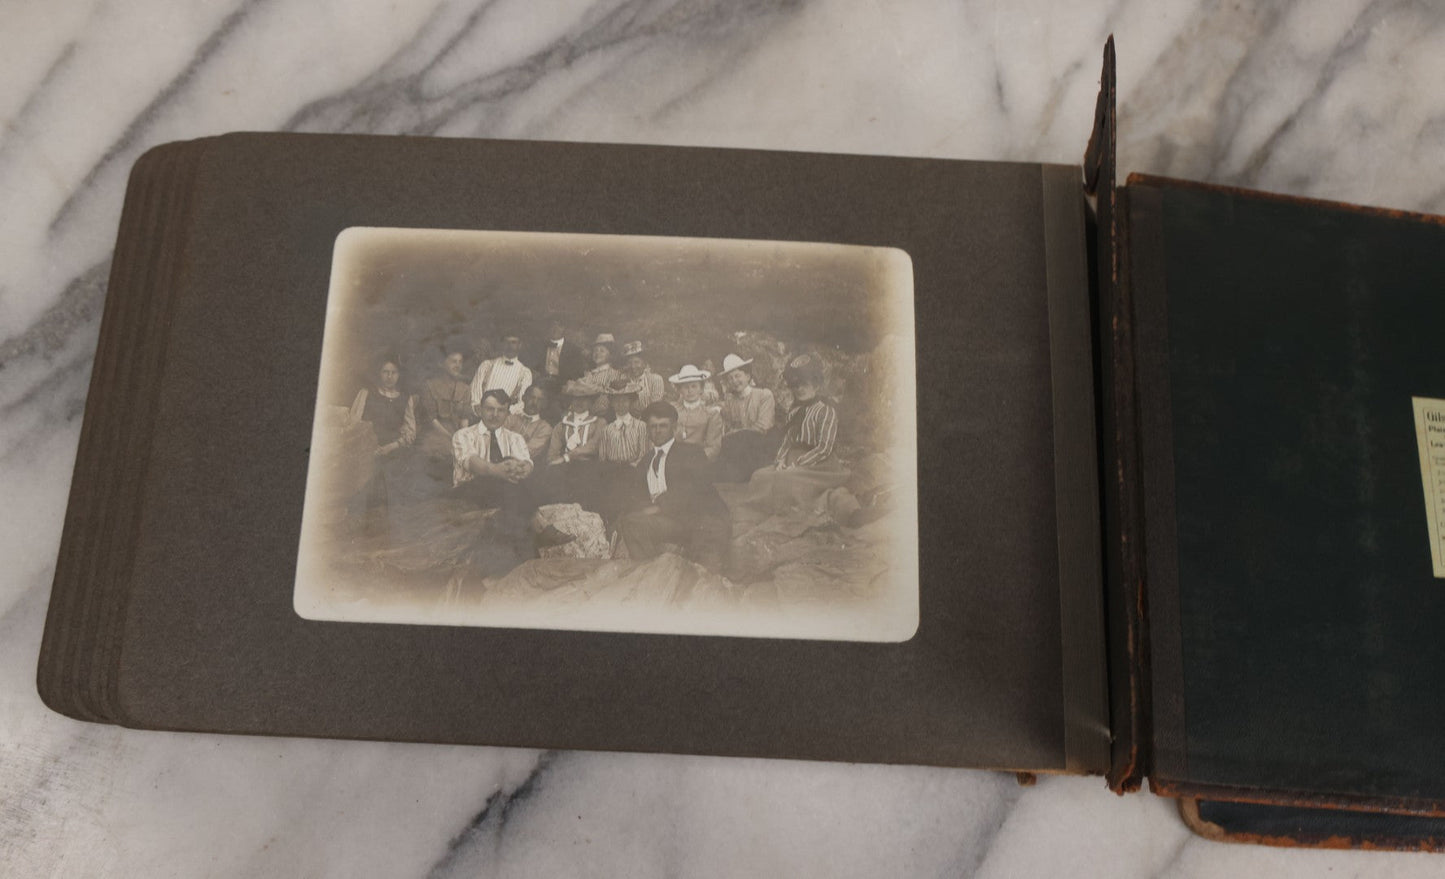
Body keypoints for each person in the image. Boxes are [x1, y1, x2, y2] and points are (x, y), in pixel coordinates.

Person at [451, 389, 567, 572]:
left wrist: (521, 469)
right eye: (489, 409)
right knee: (506, 470)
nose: (494, 415)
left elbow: (527, 464)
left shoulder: (515, 438)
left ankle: (525, 561)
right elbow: (471, 463)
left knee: (514, 482)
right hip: (469, 491)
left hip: (505, 493)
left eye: (501, 410)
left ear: (507, 413)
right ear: (480, 410)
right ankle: (539, 526)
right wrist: (497, 470)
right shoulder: (463, 435)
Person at [615, 402, 731, 573]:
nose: (658, 430)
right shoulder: (645, 462)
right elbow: (637, 496)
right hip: (670, 523)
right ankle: (650, 574)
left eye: (663, 426)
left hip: (698, 519)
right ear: (648, 430)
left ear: (674, 428)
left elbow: (695, 489)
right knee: (632, 522)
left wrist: (657, 507)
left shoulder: (691, 452)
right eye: (653, 426)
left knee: (705, 569)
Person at [734, 353, 849, 519]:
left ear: (816, 385)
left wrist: (799, 463)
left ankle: (796, 506)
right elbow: (787, 440)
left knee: (786, 479)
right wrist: (780, 460)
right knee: (759, 476)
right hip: (792, 459)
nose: (799, 389)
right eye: (795, 386)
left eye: (804, 384)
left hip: (819, 464)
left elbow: (825, 448)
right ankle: (770, 505)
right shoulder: (794, 412)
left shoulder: (826, 410)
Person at [347, 357, 417, 510]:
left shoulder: (405, 399)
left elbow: (410, 432)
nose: (389, 376)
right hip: (365, 448)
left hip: (393, 450)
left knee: (393, 487)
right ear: (379, 373)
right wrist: (369, 447)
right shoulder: (366, 393)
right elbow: (353, 423)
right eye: (385, 372)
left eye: (394, 372)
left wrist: (391, 447)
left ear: (399, 375)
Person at [534, 379, 606, 510]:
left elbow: (593, 446)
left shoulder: (599, 423)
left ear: (591, 401)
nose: (579, 402)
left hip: (589, 469)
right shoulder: (561, 426)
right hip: (565, 471)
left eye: (584, 398)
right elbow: (552, 455)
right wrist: (560, 462)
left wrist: (568, 457)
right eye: (575, 398)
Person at [715, 353, 778, 483]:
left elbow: (763, 427)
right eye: (730, 378)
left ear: (748, 376)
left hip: (761, 446)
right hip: (740, 450)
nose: (734, 381)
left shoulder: (764, 395)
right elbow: (727, 424)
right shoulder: (730, 401)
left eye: (738, 376)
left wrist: (737, 433)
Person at [596, 380, 649, 526]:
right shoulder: (607, 429)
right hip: (612, 471)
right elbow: (603, 456)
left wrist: (633, 467)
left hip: (633, 471)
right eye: (617, 401)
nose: (620, 404)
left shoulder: (641, 426)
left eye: (624, 401)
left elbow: (644, 453)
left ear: (631, 402)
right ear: (611, 404)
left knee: (629, 498)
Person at [416, 346, 472, 482]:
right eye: (453, 361)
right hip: (435, 433)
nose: (457, 365)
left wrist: (461, 436)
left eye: (460, 362)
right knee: (437, 454)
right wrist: (451, 437)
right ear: (441, 363)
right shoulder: (429, 385)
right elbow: (431, 419)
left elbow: (465, 417)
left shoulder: (465, 388)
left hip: (457, 432)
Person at [668, 364, 724, 461]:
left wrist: (697, 460)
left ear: (701, 389)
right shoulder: (672, 409)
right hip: (673, 458)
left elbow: (713, 447)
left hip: (698, 460)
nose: (690, 391)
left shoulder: (711, 414)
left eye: (694, 386)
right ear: (680, 390)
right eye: (685, 387)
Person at [470, 330, 532, 415]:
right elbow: (474, 391)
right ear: (502, 344)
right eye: (506, 342)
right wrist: (478, 408)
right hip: (482, 414)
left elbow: (523, 402)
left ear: (520, 345)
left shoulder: (525, 373)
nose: (510, 346)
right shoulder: (487, 365)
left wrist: (507, 411)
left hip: (506, 417)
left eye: (513, 342)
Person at [503, 384, 555, 463]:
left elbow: (526, 452)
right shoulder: (509, 418)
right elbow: (497, 440)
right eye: (531, 397)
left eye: (540, 400)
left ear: (544, 404)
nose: (534, 403)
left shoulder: (545, 429)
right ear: (524, 398)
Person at [619, 340, 665, 409]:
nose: (633, 366)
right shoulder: (622, 379)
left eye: (637, 362)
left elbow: (656, 405)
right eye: (629, 363)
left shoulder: (655, 379)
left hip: (649, 417)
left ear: (644, 363)